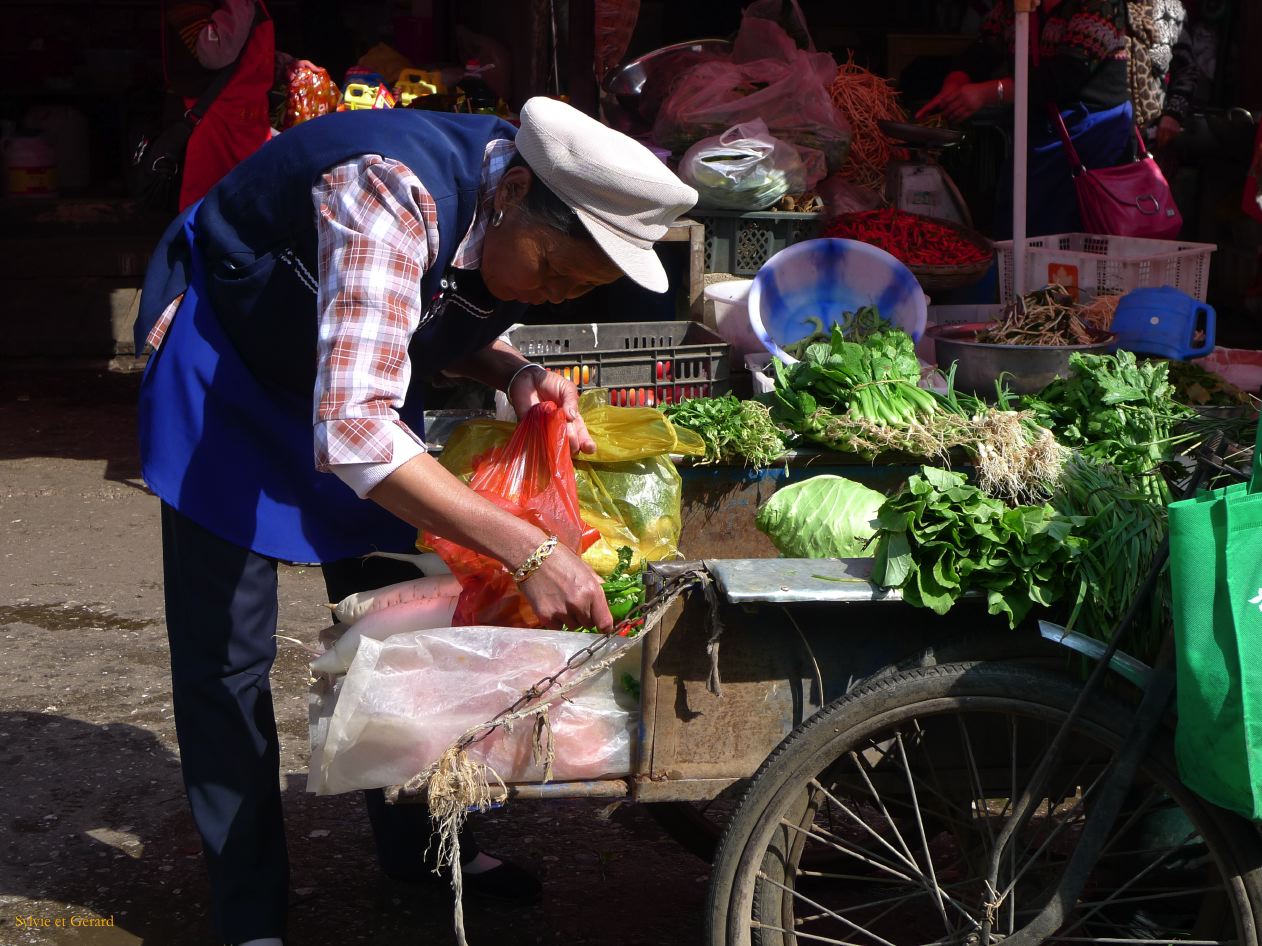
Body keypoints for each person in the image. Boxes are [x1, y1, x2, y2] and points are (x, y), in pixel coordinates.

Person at [131, 97, 698, 946]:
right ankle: (248, 907)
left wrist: (513, 371)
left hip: (354, 386)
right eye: (552, 271)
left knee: (406, 631)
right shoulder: (387, 192)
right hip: (231, 375)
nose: (550, 295)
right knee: (226, 662)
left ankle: (424, 848)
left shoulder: (503, 209)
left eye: (576, 290)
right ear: (513, 193)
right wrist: (527, 547)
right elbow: (355, 432)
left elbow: (415, 314)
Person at [917, 0, 1134, 237]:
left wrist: (989, 92)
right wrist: (957, 80)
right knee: (1022, 220)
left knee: (1076, 229)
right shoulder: (1015, 5)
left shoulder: (1099, 4)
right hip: (1040, 129)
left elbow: (1064, 75)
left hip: (1093, 133)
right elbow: (986, 47)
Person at [162, 0, 275, 210]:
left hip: (246, 127)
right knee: (209, 212)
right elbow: (215, 52)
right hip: (216, 128)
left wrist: (286, 65)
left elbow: (244, 50)